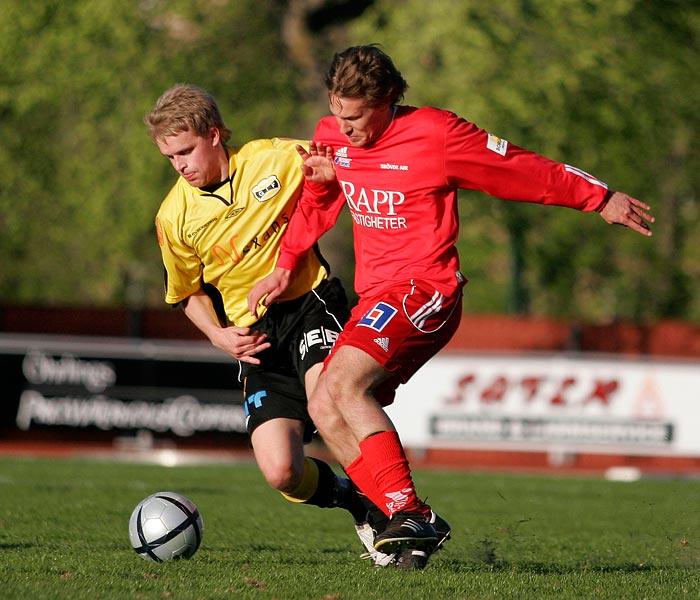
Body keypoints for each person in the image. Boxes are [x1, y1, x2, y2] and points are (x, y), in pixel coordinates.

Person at [247, 45, 655, 569]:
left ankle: (411, 512)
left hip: (426, 289)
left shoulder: (436, 134)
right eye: (338, 112)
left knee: (343, 385)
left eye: (356, 117)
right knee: (325, 408)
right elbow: (318, 198)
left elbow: (519, 168)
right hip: (377, 295)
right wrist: (287, 262)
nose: (344, 128)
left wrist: (597, 197)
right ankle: (400, 527)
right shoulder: (331, 138)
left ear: (388, 100)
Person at [144, 83, 391, 565]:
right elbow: (185, 292)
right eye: (170, 157)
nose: (180, 165)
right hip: (256, 338)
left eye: (186, 151)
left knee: (330, 405)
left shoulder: (272, 159)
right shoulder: (173, 217)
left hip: (310, 305)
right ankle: (357, 501)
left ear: (215, 134)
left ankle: (397, 512)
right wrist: (218, 335)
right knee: (282, 472)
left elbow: (339, 159)